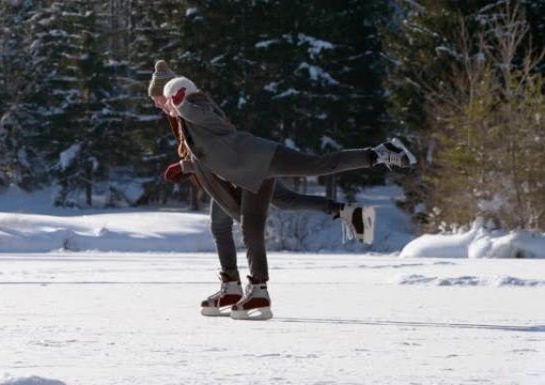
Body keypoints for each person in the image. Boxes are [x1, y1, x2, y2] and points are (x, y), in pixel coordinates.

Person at [147, 60, 415, 320]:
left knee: (315, 168)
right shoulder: (185, 122)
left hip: (259, 161)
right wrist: (184, 166)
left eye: (159, 99)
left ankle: (379, 153)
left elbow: (214, 123)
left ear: (172, 94)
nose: (157, 104)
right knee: (231, 221)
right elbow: (210, 153)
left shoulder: (196, 107)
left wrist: (182, 103)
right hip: (238, 174)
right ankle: (233, 286)